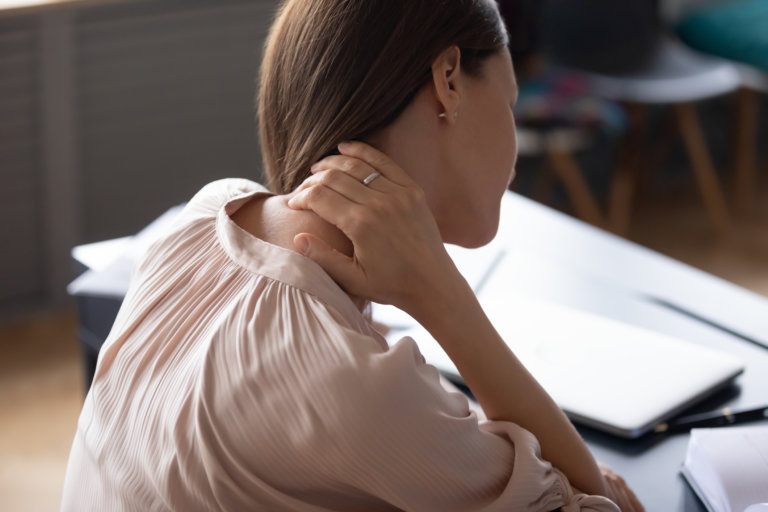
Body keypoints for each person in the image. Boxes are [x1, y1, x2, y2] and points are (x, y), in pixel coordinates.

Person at [61, 1, 645, 510]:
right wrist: (445, 300)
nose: (514, 150)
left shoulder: (203, 219)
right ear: (449, 79)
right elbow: (593, 504)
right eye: (510, 103)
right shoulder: (359, 388)